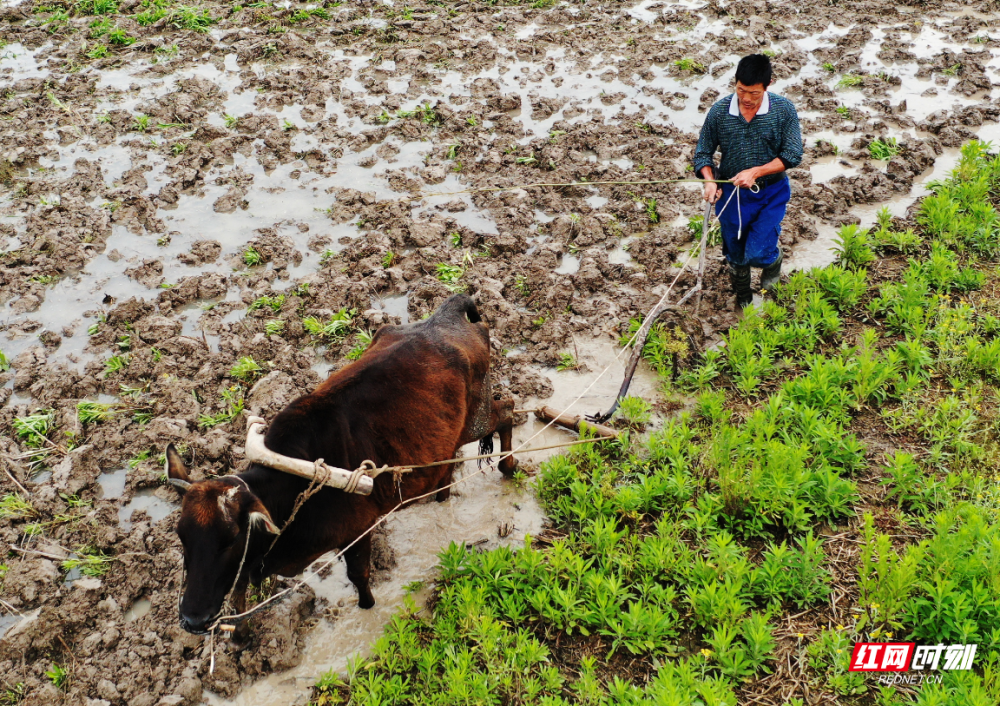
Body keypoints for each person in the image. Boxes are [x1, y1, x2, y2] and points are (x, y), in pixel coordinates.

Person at [693, 54, 803, 309]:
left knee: (758, 251)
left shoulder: (783, 110)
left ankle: (772, 265)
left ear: (768, 85)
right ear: (735, 83)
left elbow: (792, 155)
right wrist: (710, 181)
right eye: (741, 90)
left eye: (753, 93)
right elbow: (702, 154)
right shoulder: (720, 111)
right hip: (731, 194)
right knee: (735, 251)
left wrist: (756, 172)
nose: (746, 98)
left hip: (770, 192)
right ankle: (743, 297)